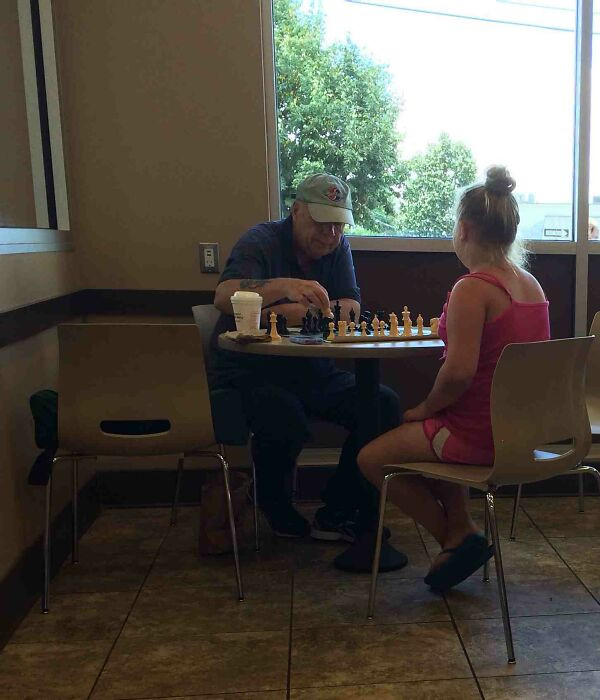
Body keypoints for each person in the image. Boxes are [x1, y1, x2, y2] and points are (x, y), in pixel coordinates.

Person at [358, 166, 550, 591]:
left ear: (463, 229)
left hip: (479, 434)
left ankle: (453, 537)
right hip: (521, 430)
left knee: (372, 457)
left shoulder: (472, 288)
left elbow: (458, 373)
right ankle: (461, 528)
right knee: (432, 431)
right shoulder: (532, 285)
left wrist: (423, 408)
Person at [210, 173, 401, 539]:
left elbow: (351, 304)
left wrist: (307, 314)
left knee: (381, 403)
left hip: (313, 371)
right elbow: (224, 296)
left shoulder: (337, 248)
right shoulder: (260, 240)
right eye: (321, 222)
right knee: (283, 414)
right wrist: (285, 290)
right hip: (250, 371)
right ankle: (276, 507)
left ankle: (340, 508)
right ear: (296, 210)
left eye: (338, 225)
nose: (330, 235)